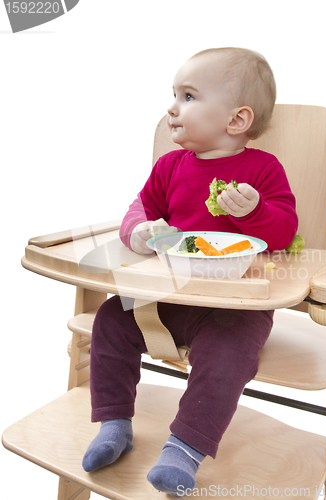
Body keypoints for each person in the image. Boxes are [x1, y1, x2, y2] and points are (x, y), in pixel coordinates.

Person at [82, 47, 298, 497]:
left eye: (188, 96)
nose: (172, 107)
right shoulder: (170, 167)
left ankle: (184, 449)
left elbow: (285, 231)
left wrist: (256, 212)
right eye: (173, 94)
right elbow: (139, 209)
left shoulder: (262, 171)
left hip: (233, 308)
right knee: (110, 319)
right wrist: (140, 231)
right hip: (166, 298)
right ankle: (114, 423)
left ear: (236, 120)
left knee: (230, 352)